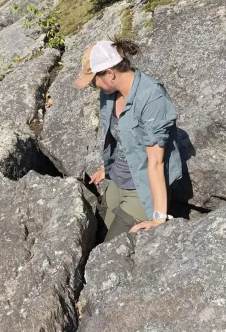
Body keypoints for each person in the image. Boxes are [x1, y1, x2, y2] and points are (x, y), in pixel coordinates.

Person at [74, 37, 182, 241]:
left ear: (110, 74)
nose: (93, 87)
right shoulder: (109, 94)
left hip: (140, 190)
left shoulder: (151, 98)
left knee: (109, 251)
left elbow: (156, 163)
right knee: (97, 238)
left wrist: (159, 218)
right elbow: (123, 137)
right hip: (117, 180)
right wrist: (108, 167)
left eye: (93, 82)